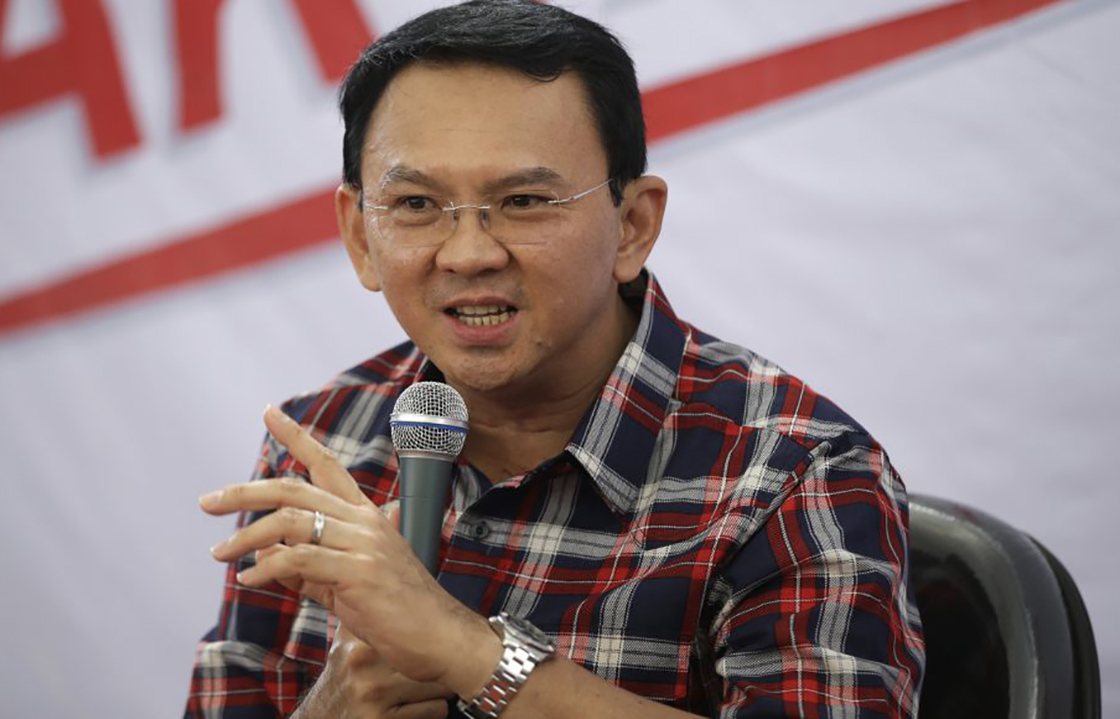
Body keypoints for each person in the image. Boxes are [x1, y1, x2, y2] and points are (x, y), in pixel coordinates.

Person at [186, 1, 925, 716]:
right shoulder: (323, 447)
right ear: (358, 235)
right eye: (416, 205)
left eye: (524, 202)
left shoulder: (795, 471)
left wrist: (468, 653)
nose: (468, 253)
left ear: (632, 225)